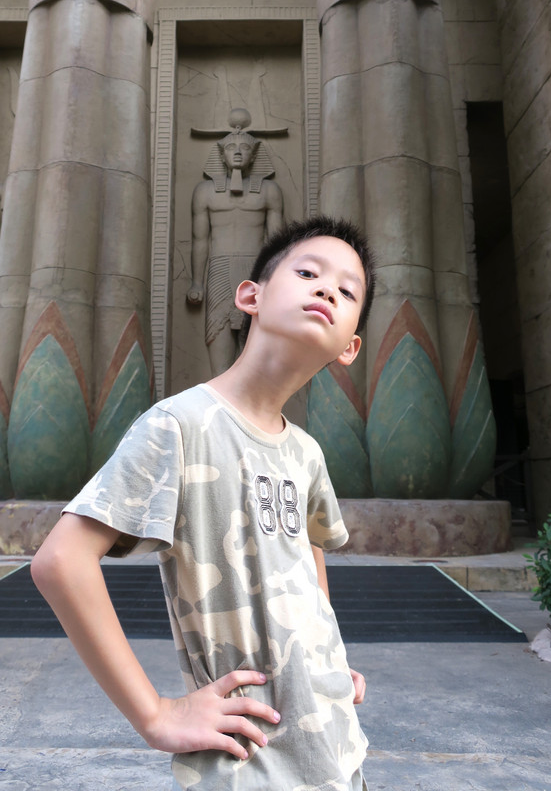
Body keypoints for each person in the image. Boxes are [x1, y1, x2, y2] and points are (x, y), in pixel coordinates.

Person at [32, 215, 376, 791]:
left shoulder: (306, 453)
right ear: (250, 296)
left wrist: (328, 659)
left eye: (347, 291)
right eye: (308, 273)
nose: (326, 290)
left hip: (338, 746)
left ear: (351, 347)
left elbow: (307, 547)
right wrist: (155, 714)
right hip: (249, 759)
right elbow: (60, 561)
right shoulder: (179, 425)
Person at [187, 112, 284, 375]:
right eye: (231, 147)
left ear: (254, 155)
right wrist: (197, 282)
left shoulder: (269, 191)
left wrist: (276, 282)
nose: (238, 152)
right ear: (221, 155)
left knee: (253, 358)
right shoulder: (205, 192)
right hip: (219, 271)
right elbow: (200, 240)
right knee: (220, 359)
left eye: (245, 148)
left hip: (256, 271)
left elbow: (277, 244)